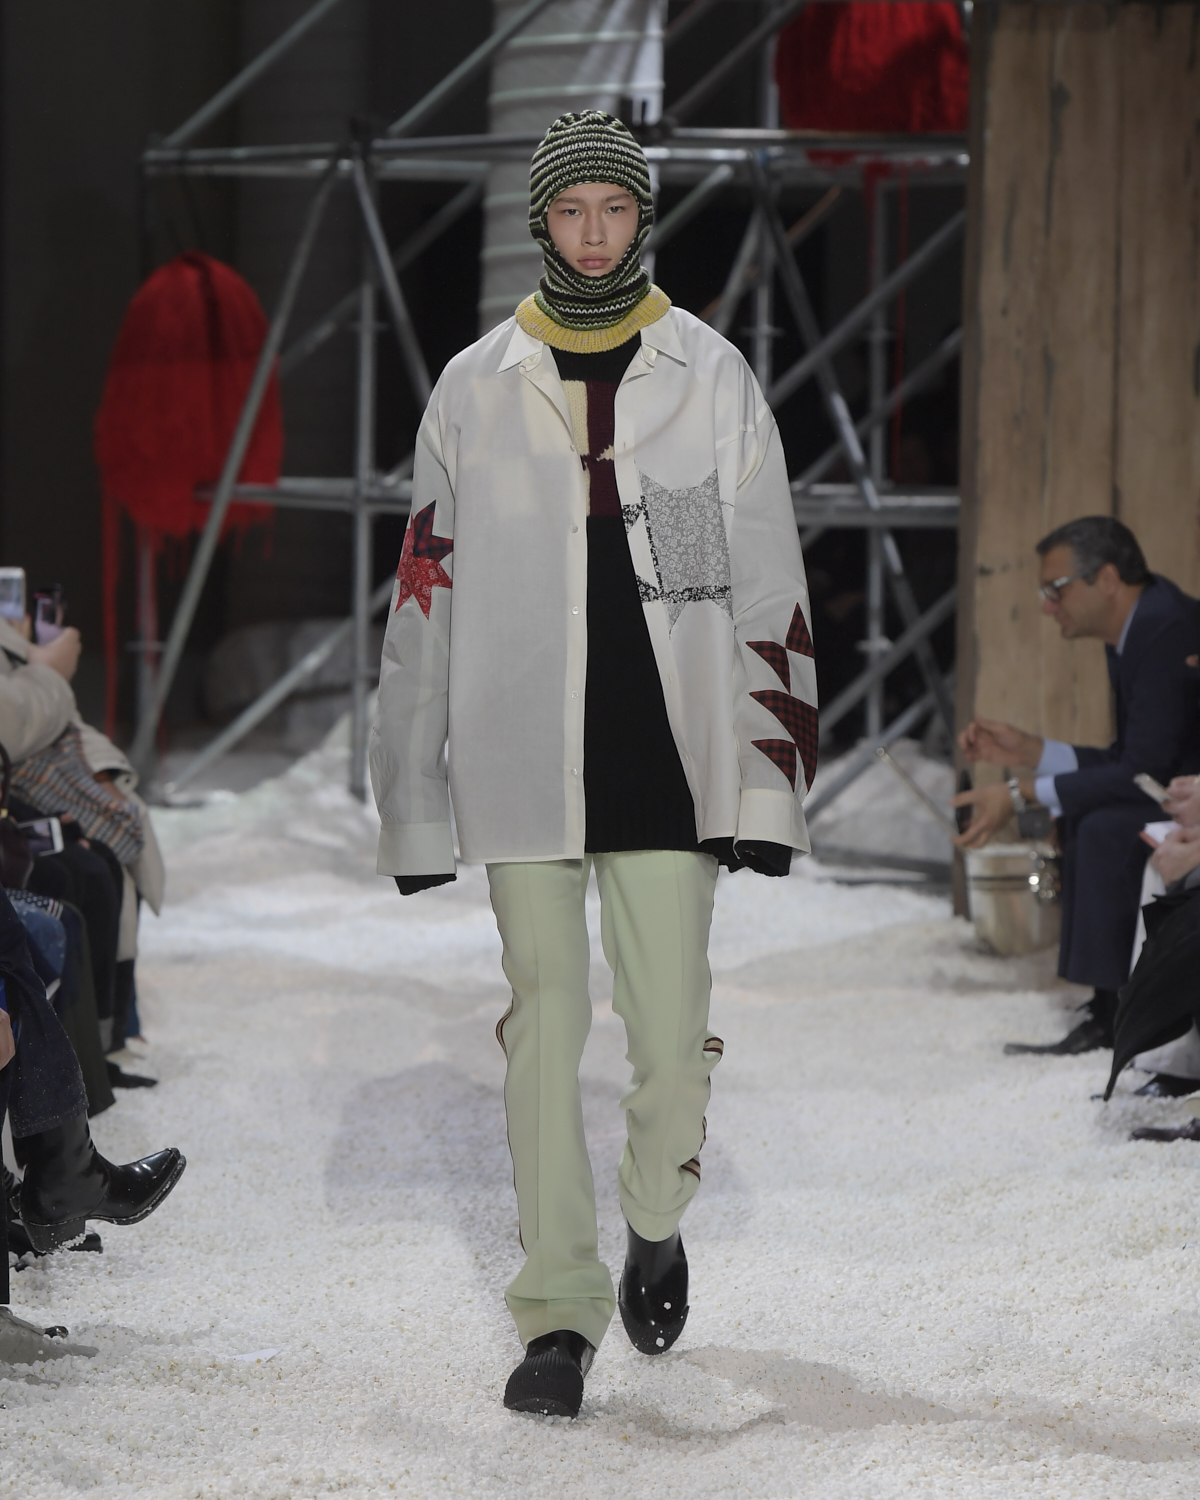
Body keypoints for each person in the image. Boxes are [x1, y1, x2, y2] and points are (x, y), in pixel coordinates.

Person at [371, 112, 816, 1418]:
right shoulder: (474, 386)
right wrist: (411, 801)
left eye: (615, 210)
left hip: (668, 756)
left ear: (642, 216)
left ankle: (655, 1217)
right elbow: (422, 598)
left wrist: (768, 783)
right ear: (542, 222)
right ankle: (558, 1313)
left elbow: (766, 586)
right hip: (519, 756)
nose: (595, 234)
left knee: (671, 1043)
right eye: (572, 212)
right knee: (543, 1028)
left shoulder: (711, 374)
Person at [953, 517, 1200, 1053]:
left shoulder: (1164, 627)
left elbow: (1145, 771)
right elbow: (1133, 761)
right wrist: (1030, 752)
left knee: (1104, 826)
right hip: (1177, 790)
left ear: (1107, 579)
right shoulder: (1139, 627)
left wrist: (1020, 794)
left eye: (1056, 589)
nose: (1048, 606)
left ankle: (1117, 1013)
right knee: (1090, 814)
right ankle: (1108, 1003)